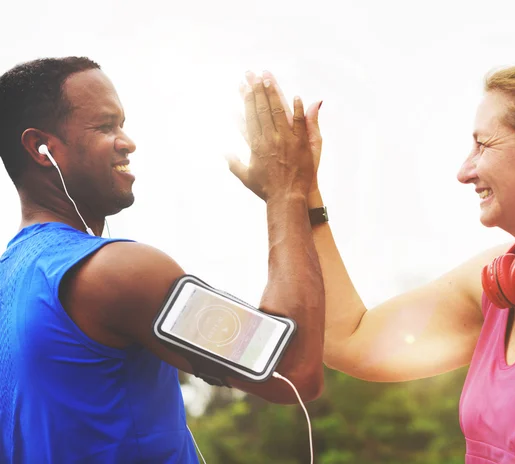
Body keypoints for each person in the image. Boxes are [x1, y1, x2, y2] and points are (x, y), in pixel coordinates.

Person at [232, 61, 515, 463]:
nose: (464, 171)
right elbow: (348, 338)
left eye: (483, 144)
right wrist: (300, 192)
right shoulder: (496, 285)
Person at [0, 57, 325, 463]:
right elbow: (291, 371)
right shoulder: (117, 274)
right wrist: (288, 193)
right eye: (105, 126)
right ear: (41, 149)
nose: (127, 141)